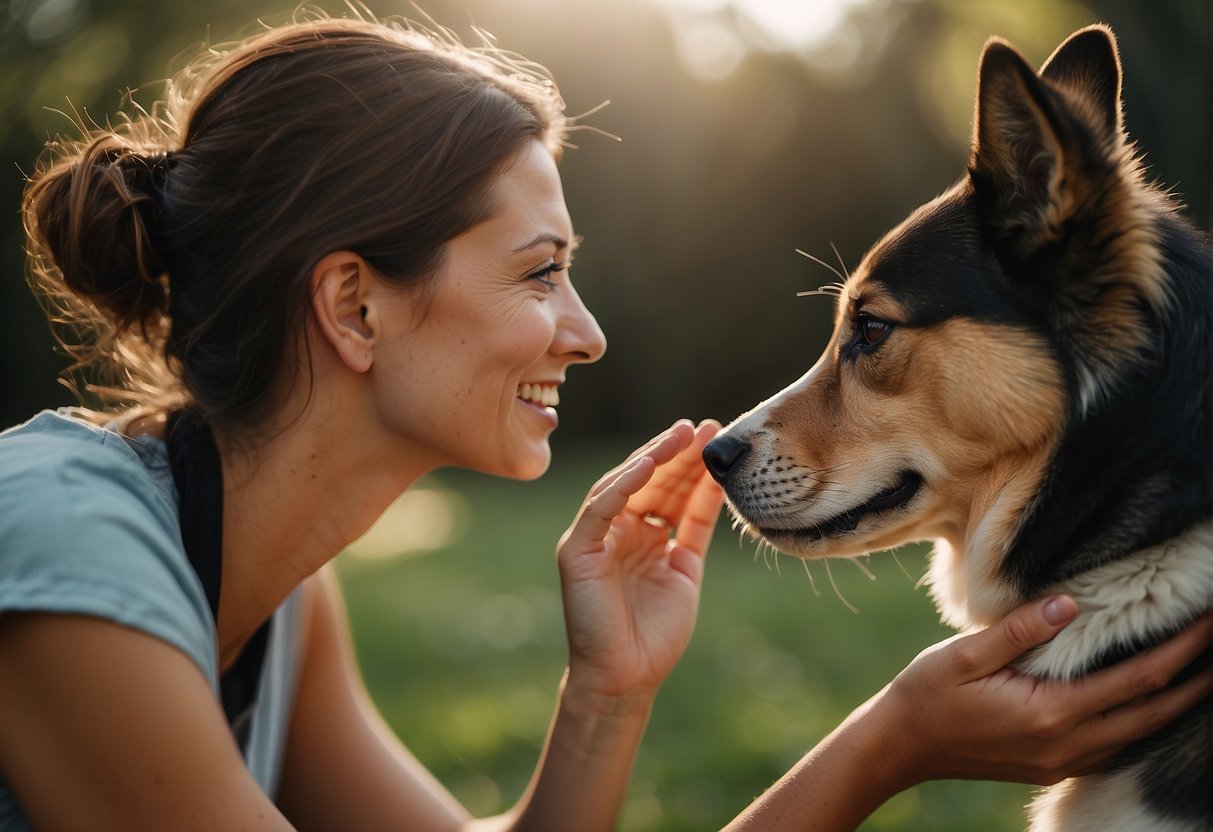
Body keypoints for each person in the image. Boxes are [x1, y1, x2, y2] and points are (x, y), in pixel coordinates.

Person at [0, 12, 1208, 832]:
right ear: (354, 304)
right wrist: (884, 745)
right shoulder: (73, 558)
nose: (587, 334)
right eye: (539, 274)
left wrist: (607, 693)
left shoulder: (274, 599)